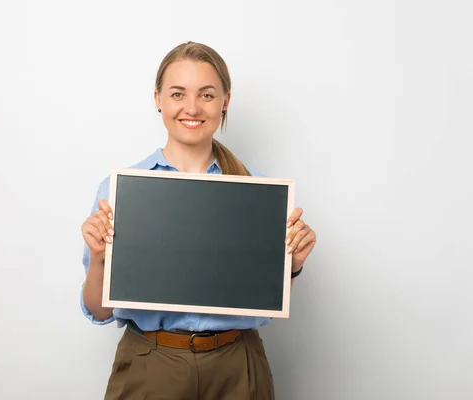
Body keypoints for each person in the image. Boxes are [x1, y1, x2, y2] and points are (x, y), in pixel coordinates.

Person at [80, 41, 317, 400]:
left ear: (226, 101)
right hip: (151, 364)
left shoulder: (257, 191)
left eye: (207, 95)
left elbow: (264, 303)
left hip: (238, 365)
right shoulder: (119, 190)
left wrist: (293, 265)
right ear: (158, 98)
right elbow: (99, 310)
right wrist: (99, 257)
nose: (191, 108)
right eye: (178, 94)